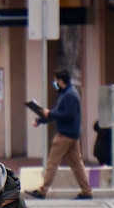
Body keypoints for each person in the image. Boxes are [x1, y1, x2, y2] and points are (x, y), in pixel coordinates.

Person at [27, 69, 93, 200]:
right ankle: (87, 191)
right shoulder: (66, 93)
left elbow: (68, 115)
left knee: (52, 163)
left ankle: (42, 191)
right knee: (77, 165)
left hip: (65, 135)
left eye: (56, 81)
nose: (55, 83)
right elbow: (56, 112)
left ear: (61, 81)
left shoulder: (70, 95)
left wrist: (50, 114)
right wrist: (41, 120)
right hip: (72, 134)